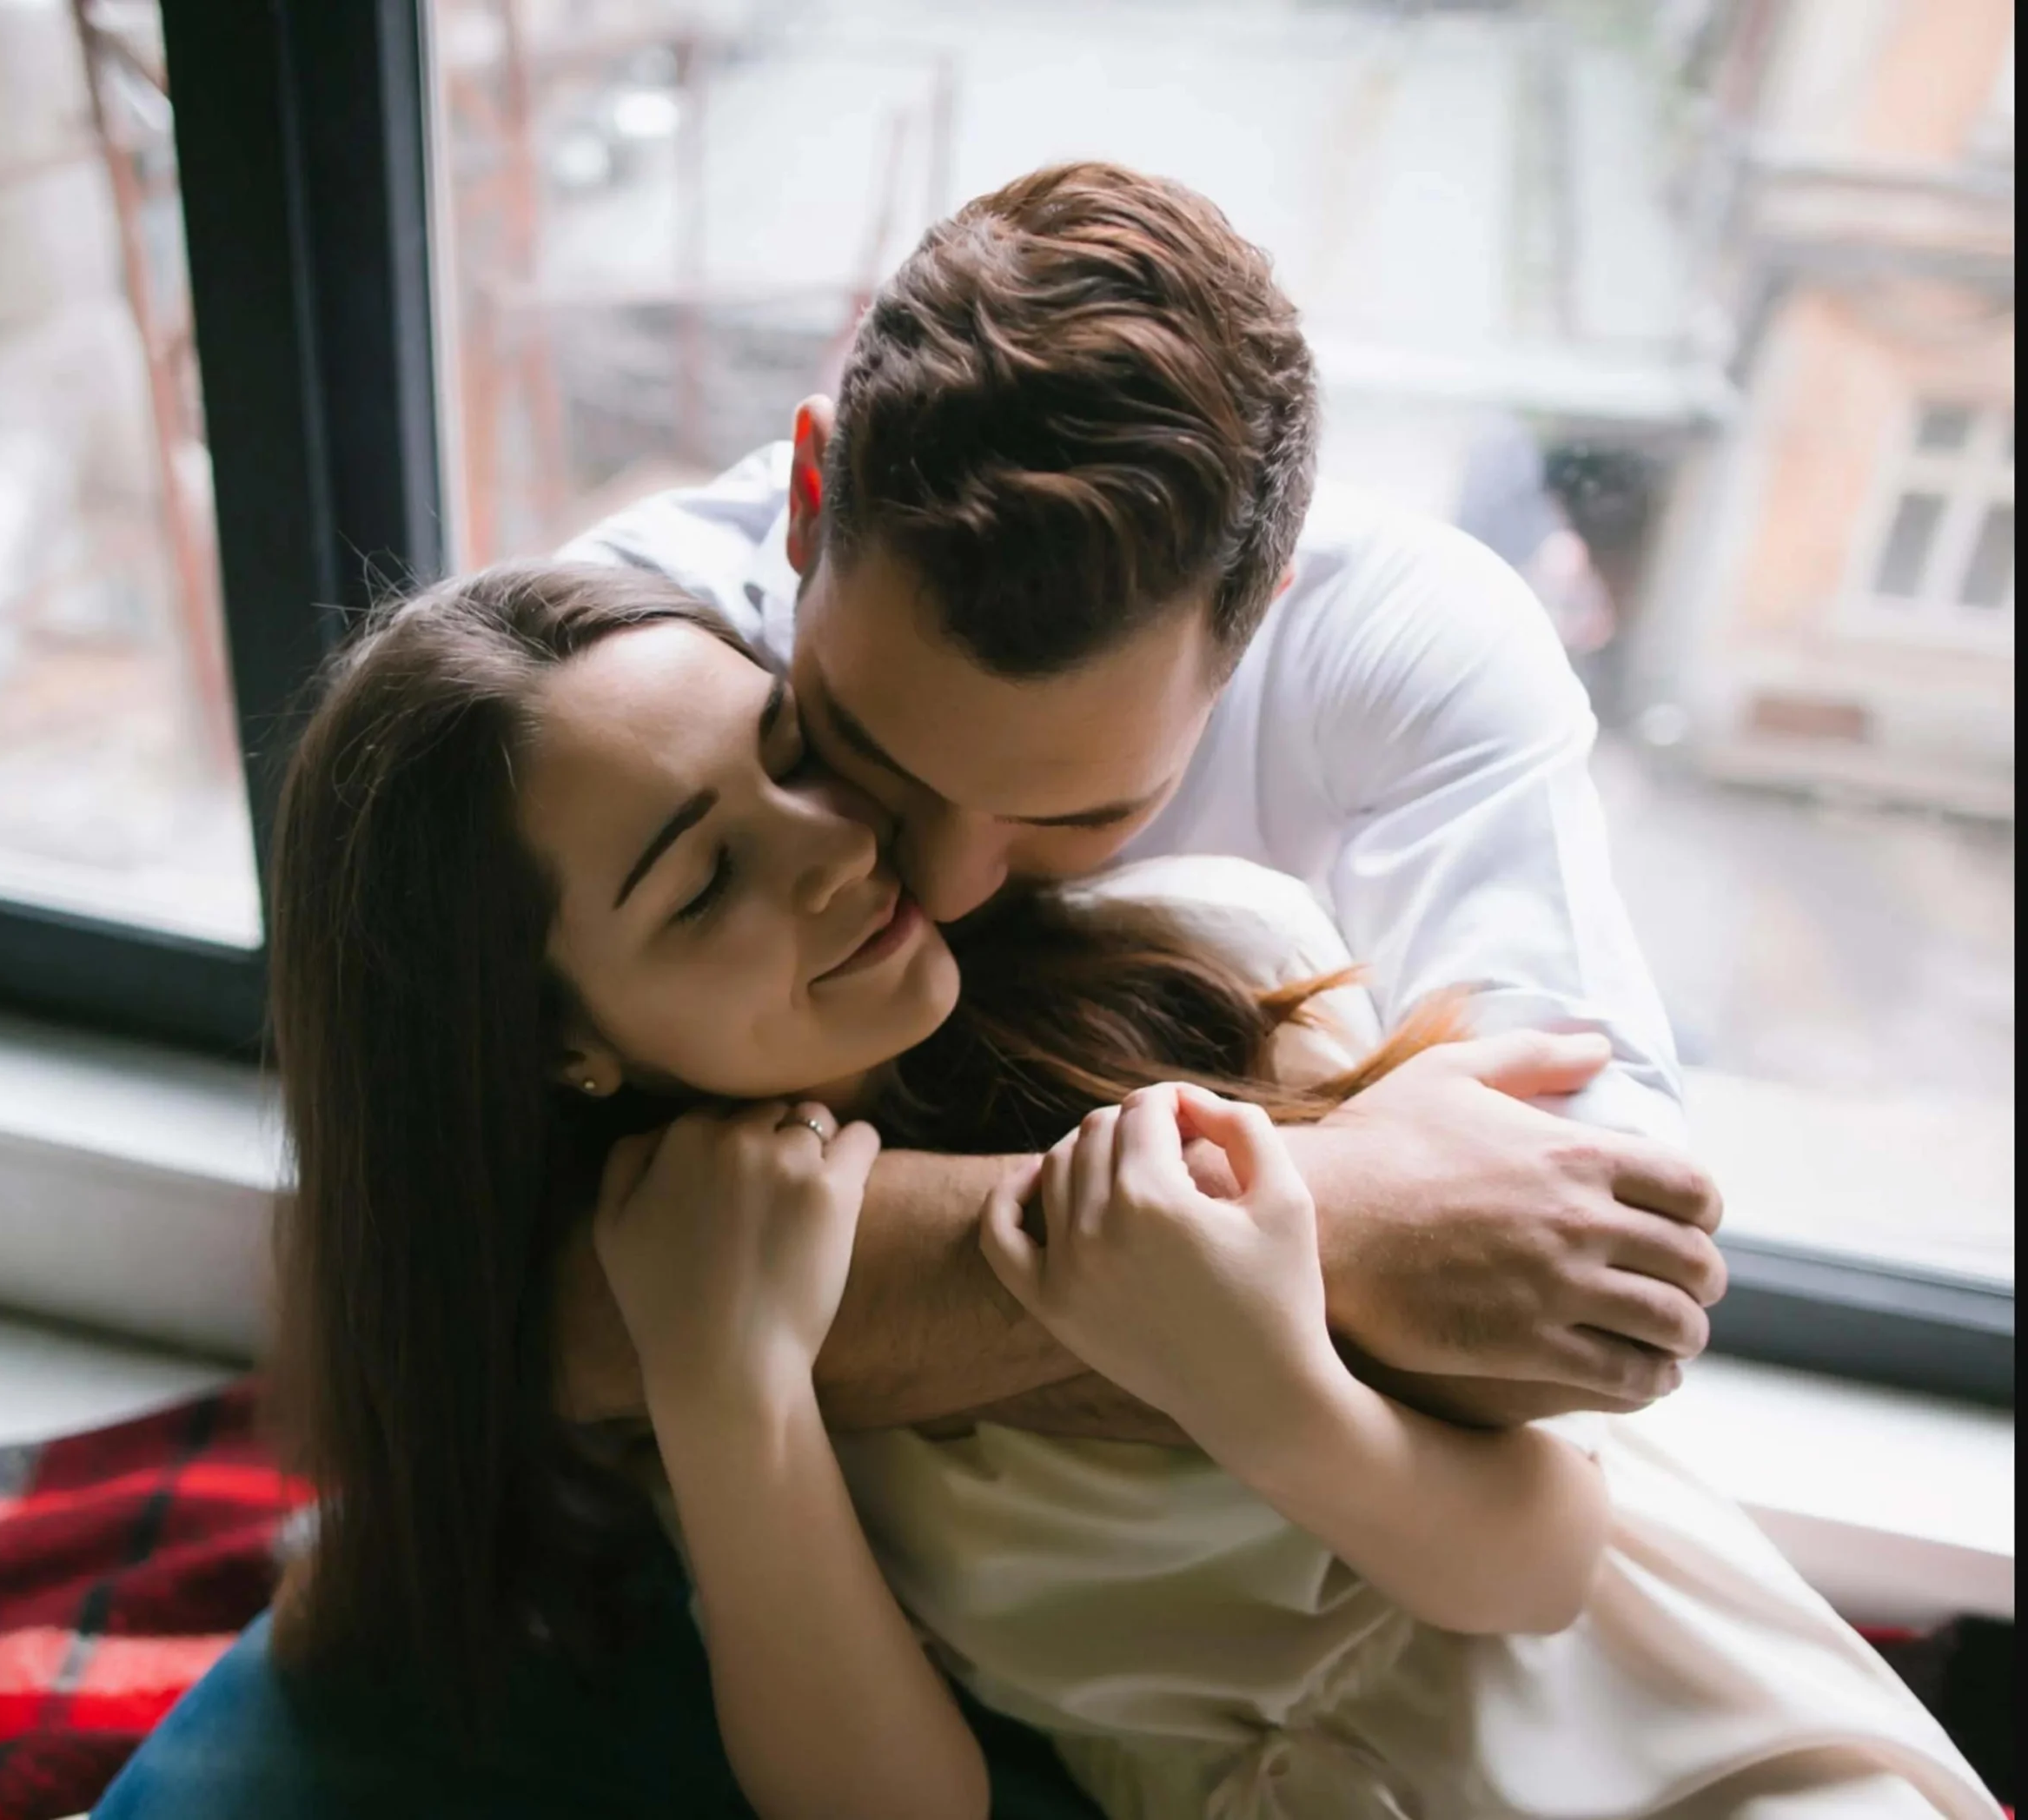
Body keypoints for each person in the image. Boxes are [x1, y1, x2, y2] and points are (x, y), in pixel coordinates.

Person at [99, 564, 1995, 1818]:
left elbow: (1537, 1563)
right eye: (699, 883)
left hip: (1645, 1735)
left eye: (785, 752)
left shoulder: (1202, 959)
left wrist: (1256, 1375)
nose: (834, 850)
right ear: (557, 1048)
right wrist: (736, 1389)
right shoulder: (677, 1304)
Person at [547, 162, 1724, 1451]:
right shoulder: (613, 667)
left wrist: (846, 1288)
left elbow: (1602, 1297)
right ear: (809, 500)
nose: (940, 886)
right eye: (856, 750)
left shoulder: (1406, 648)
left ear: (1267, 601)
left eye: (1077, 812)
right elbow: (540, 1313)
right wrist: (1333, 1213)